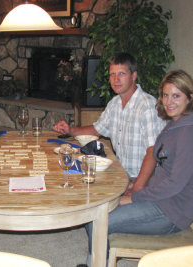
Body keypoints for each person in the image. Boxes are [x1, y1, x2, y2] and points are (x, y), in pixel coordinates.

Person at [83, 70, 193, 267]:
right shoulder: (175, 125)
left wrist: (133, 197)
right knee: (98, 205)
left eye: (176, 96)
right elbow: (163, 170)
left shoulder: (190, 133)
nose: (169, 102)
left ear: (190, 98)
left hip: (171, 212)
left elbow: (174, 184)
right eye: (166, 95)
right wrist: (135, 184)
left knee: (98, 220)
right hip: (160, 199)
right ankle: (98, 261)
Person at [53, 52, 165, 192]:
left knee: (86, 195)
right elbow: (96, 130)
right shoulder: (115, 103)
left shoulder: (147, 106)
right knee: (72, 184)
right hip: (120, 175)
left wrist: (136, 189)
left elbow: (153, 151)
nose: (116, 79)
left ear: (134, 76)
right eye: (112, 74)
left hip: (140, 180)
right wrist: (70, 130)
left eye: (122, 74)